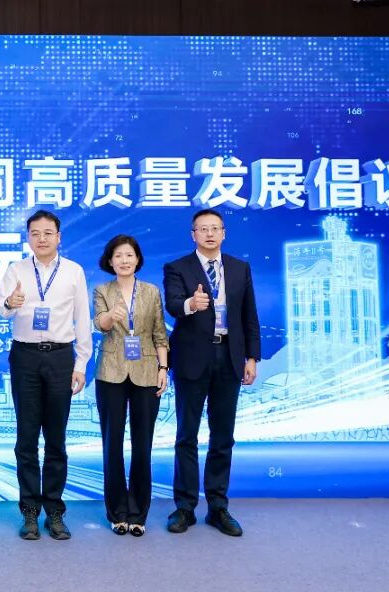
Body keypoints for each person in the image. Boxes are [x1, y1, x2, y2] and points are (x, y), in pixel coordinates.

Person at [163, 210, 260, 537]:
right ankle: (185, 507)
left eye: (214, 228)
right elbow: (173, 305)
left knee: (222, 437)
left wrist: (252, 357)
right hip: (192, 358)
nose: (209, 234)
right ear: (193, 234)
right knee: (186, 436)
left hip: (229, 357)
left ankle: (218, 507)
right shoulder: (177, 267)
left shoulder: (239, 268)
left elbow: (249, 315)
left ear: (223, 233)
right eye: (202, 229)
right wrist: (191, 304)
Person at [0, 209, 90, 541]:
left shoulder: (74, 271)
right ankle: (30, 512)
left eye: (48, 233)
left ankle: (54, 511)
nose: (41, 238)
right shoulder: (16, 269)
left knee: (56, 439)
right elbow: (2, 310)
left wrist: (81, 364)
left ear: (59, 237)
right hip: (25, 357)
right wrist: (11, 302)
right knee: (26, 439)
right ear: (28, 238)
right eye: (35, 233)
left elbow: (82, 318)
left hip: (61, 357)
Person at [93, 234, 169, 537]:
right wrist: (111, 316)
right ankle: (117, 512)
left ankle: (138, 512)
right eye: (118, 256)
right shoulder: (102, 290)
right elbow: (100, 324)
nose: (124, 260)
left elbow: (160, 333)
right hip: (111, 372)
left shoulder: (151, 291)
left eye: (129, 255)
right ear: (110, 261)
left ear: (137, 259)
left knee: (143, 444)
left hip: (147, 371)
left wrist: (163, 368)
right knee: (111, 444)